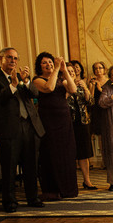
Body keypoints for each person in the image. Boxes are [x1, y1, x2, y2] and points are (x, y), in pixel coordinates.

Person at [0, 47, 45, 213]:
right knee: (9, 167)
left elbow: (35, 94)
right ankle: (10, 201)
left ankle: (33, 198)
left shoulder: (21, 77)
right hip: (8, 128)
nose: (13, 61)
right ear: (1, 59)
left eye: (16, 58)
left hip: (29, 126)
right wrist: (12, 85)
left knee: (31, 165)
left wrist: (26, 82)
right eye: (9, 58)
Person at [32, 53, 79, 201]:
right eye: (44, 63)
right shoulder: (37, 80)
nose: (49, 65)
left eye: (51, 62)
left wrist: (64, 70)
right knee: (52, 153)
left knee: (66, 153)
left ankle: (68, 189)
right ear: (39, 66)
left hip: (64, 120)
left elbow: (73, 90)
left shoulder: (60, 79)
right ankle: (52, 189)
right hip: (48, 121)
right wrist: (56, 69)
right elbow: (49, 88)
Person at [66, 62, 96, 190]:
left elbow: (90, 102)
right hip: (68, 123)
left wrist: (86, 89)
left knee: (84, 153)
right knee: (69, 153)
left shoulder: (80, 85)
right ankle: (70, 181)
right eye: (68, 71)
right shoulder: (61, 86)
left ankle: (87, 180)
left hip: (83, 122)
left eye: (72, 71)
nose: (72, 73)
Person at [88, 61, 109, 166]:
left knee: (109, 136)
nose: (98, 70)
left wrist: (100, 87)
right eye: (96, 68)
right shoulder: (93, 82)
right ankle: (104, 161)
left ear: (104, 70)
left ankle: (110, 160)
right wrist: (92, 85)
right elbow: (90, 97)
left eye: (100, 68)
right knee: (100, 135)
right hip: (97, 110)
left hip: (107, 109)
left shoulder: (109, 81)